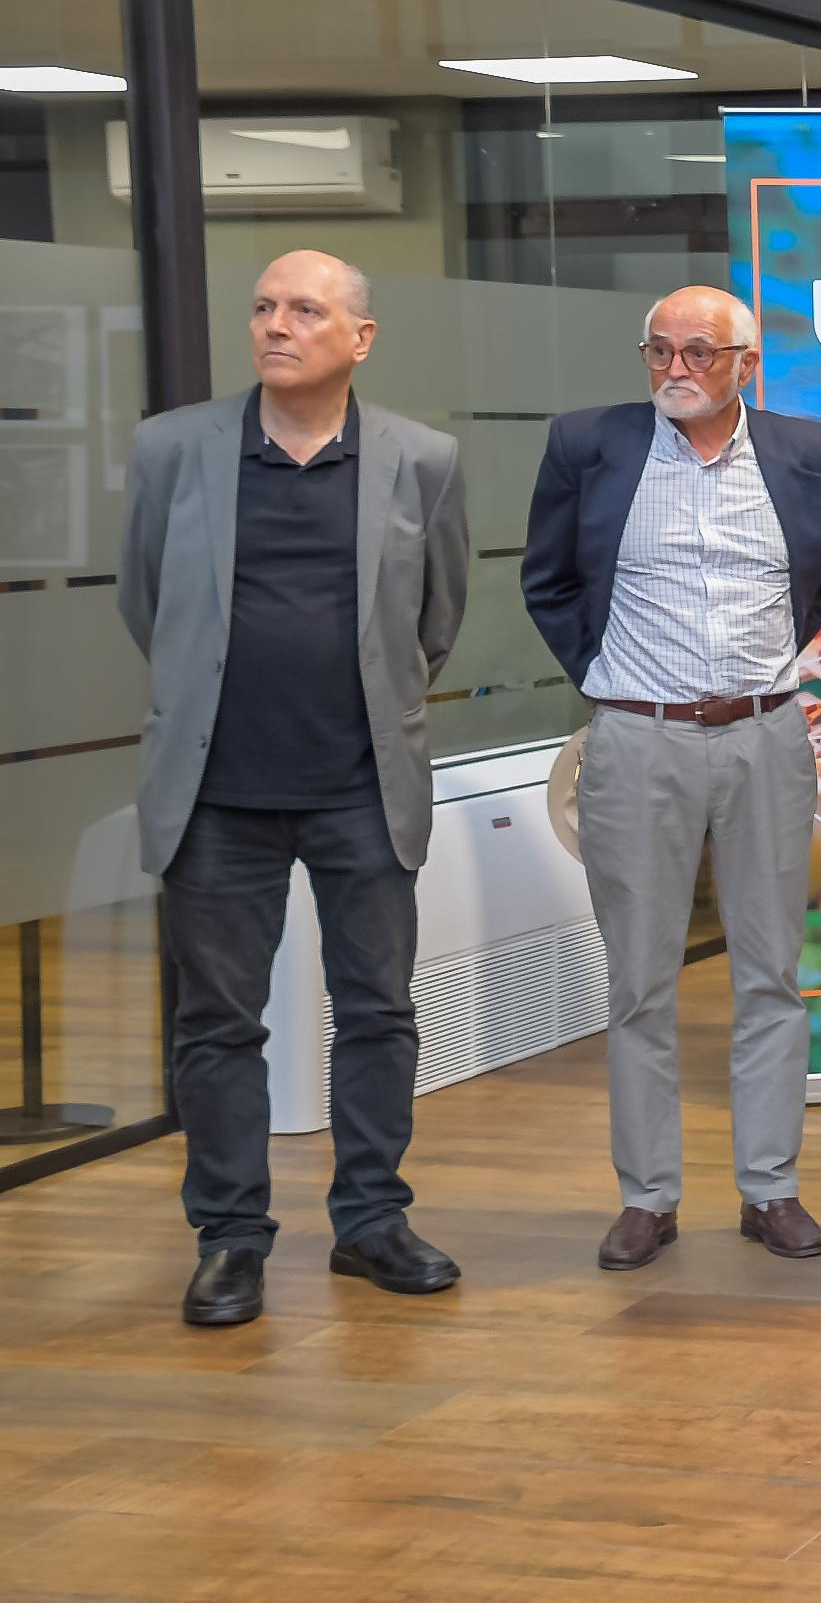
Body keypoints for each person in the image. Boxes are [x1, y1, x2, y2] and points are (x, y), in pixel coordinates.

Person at [119, 249, 469, 1327]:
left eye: (306, 309)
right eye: (266, 306)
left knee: (378, 1010)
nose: (277, 324)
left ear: (358, 337)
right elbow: (147, 605)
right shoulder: (174, 450)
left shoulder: (423, 459)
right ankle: (229, 1239)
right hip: (215, 793)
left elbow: (435, 620)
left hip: (362, 784)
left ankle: (370, 1219)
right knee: (217, 1024)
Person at [522, 285, 821, 1270]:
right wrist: (608, 679)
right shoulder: (589, 443)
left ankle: (769, 1187)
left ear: (747, 362)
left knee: (771, 974)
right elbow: (548, 578)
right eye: (659, 349)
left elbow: (818, 577)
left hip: (765, 734)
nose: (676, 368)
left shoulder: (810, 453)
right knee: (640, 980)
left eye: (700, 351)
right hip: (637, 737)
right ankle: (647, 1196)